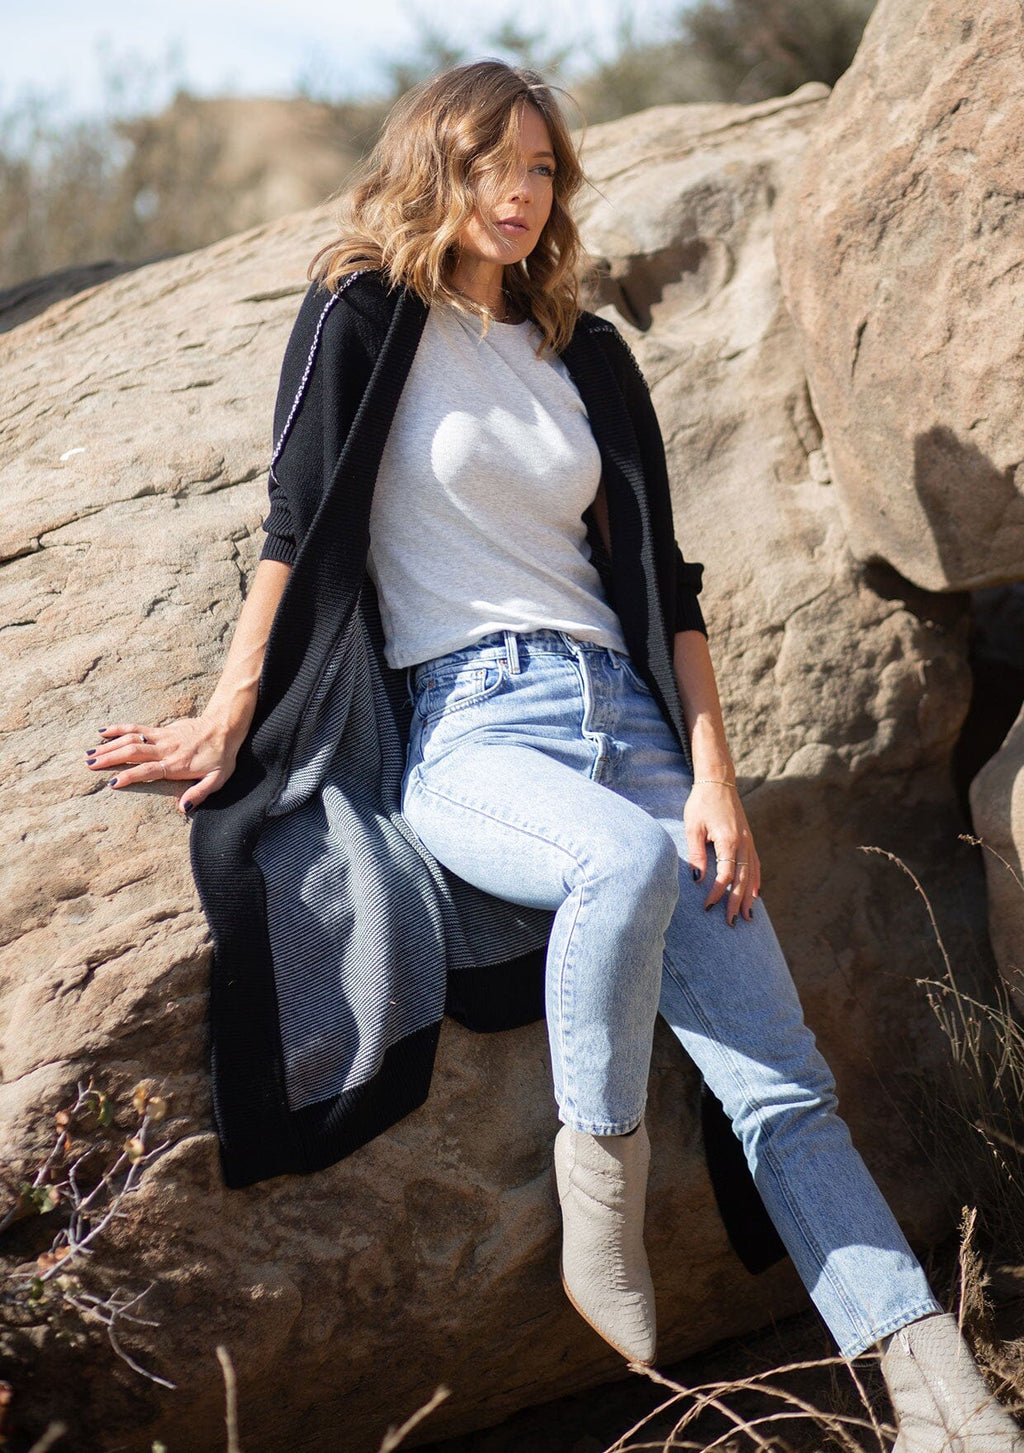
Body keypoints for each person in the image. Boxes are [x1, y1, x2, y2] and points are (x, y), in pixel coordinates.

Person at [85, 59, 1020, 1451]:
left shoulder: (587, 355)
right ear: (436, 166)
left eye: (540, 170)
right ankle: (604, 1184)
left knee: (788, 1090)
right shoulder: (362, 311)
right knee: (616, 868)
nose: (520, 194)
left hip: (632, 726)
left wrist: (716, 777)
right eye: (493, 166)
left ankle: (954, 1413)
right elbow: (294, 519)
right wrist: (231, 709)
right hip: (471, 724)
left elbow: (666, 584)